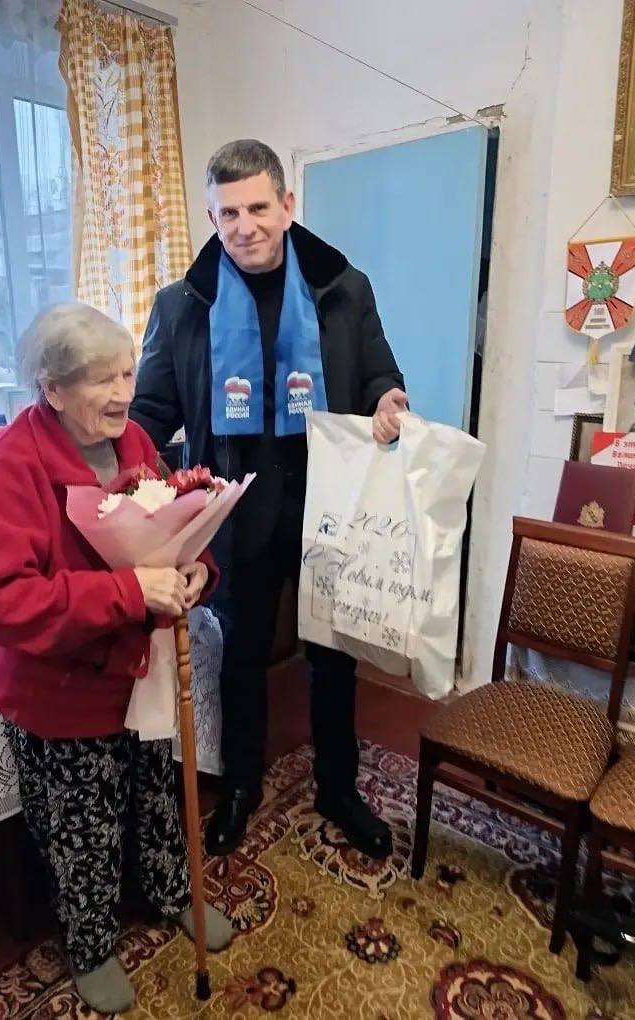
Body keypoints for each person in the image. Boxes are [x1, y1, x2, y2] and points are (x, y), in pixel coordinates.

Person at [130, 140, 407, 861]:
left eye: (257, 207)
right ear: (211, 216)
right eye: (227, 213)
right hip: (234, 510)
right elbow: (149, 414)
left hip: (326, 502)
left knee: (333, 657)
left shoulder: (342, 288)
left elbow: (380, 375)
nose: (244, 226)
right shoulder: (182, 304)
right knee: (242, 657)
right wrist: (120, 475)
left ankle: (338, 788)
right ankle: (243, 786)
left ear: (287, 204)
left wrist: (389, 400)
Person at [0, 302, 233, 1016]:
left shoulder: (136, 438)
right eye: (101, 379)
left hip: (139, 673)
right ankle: (90, 945)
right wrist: (128, 592)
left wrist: (198, 570)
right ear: (52, 389)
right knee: (83, 829)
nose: (123, 393)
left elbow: (176, 522)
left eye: (127, 373)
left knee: (156, 796)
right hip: (60, 690)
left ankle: (173, 892)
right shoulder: (16, 461)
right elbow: (1, 602)